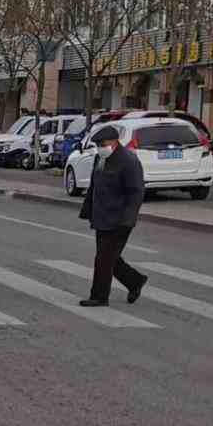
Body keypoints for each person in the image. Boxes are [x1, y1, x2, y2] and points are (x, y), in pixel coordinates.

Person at [77, 124, 148, 306]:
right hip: (102, 217)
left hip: (119, 219)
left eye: (103, 144)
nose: (100, 148)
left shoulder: (128, 161)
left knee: (103, 259)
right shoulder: (100, 158)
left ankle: (99, 297)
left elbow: (136, 192)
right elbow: (94, 186)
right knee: (110, 258)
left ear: (115, 142)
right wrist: (87, 210)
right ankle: (135, 281)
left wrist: (128, 219)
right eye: (98, 145)